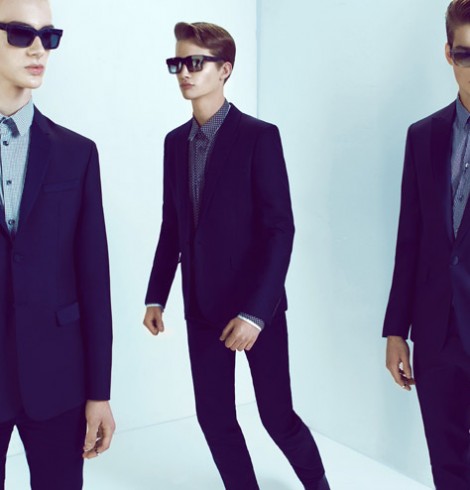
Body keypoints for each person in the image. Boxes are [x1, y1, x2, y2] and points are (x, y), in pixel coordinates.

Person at [143, 21, 329, 490]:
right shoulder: (173, 143)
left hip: (255, 306)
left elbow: (280, 229)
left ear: (225, 69)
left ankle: (319, 485)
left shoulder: (258, 136)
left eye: (195, 62)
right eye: (177, 63)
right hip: (201, 306)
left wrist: (255, 313)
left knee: (277, 416)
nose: (184, 72)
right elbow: (172, 225)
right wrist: (156, 295)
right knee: (214, 417)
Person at [0, 0, 115, 488]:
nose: (38, 49)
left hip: (58, 379)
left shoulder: (77, 153)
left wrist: (99, 391)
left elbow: (94, 279)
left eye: (49, 36)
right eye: (20, 33)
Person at [384, 1, 470, 488]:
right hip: (436, 334)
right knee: (447, 467)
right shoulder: (423, 136)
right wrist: (397, 329)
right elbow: (410, 238)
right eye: (466, 54)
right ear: (448, 54)